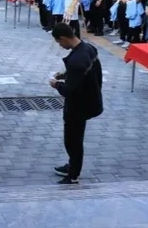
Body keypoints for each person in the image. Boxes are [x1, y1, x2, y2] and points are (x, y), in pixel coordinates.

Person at [49, 23, 103, 184]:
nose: (60, 46)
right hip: (90, 100)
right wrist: (65, 75)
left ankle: (73, 174)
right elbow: (83, 75)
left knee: (73, 140)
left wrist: (56, 84)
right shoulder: (88, 49)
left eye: (59, 42)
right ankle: (72, 165)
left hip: (77, 106)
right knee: (76, 138)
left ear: (63, 38)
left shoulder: (75, 60)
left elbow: (68, 90)